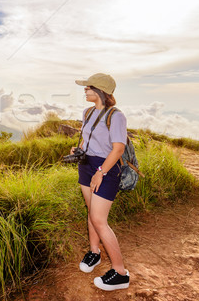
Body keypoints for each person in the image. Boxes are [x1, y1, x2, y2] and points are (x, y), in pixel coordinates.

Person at [70, 73, 130, 291]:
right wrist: (79, 150)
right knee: (91, 212)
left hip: (106, 168)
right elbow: (87, 139)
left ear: (101, 91)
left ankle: (121, 273)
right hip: (86, 165)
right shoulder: (87, 112)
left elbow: (118, 149)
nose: (85, 90)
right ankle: (94, 252)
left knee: (99, 219)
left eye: (88, 87)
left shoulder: (116, 116)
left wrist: (100, 172)